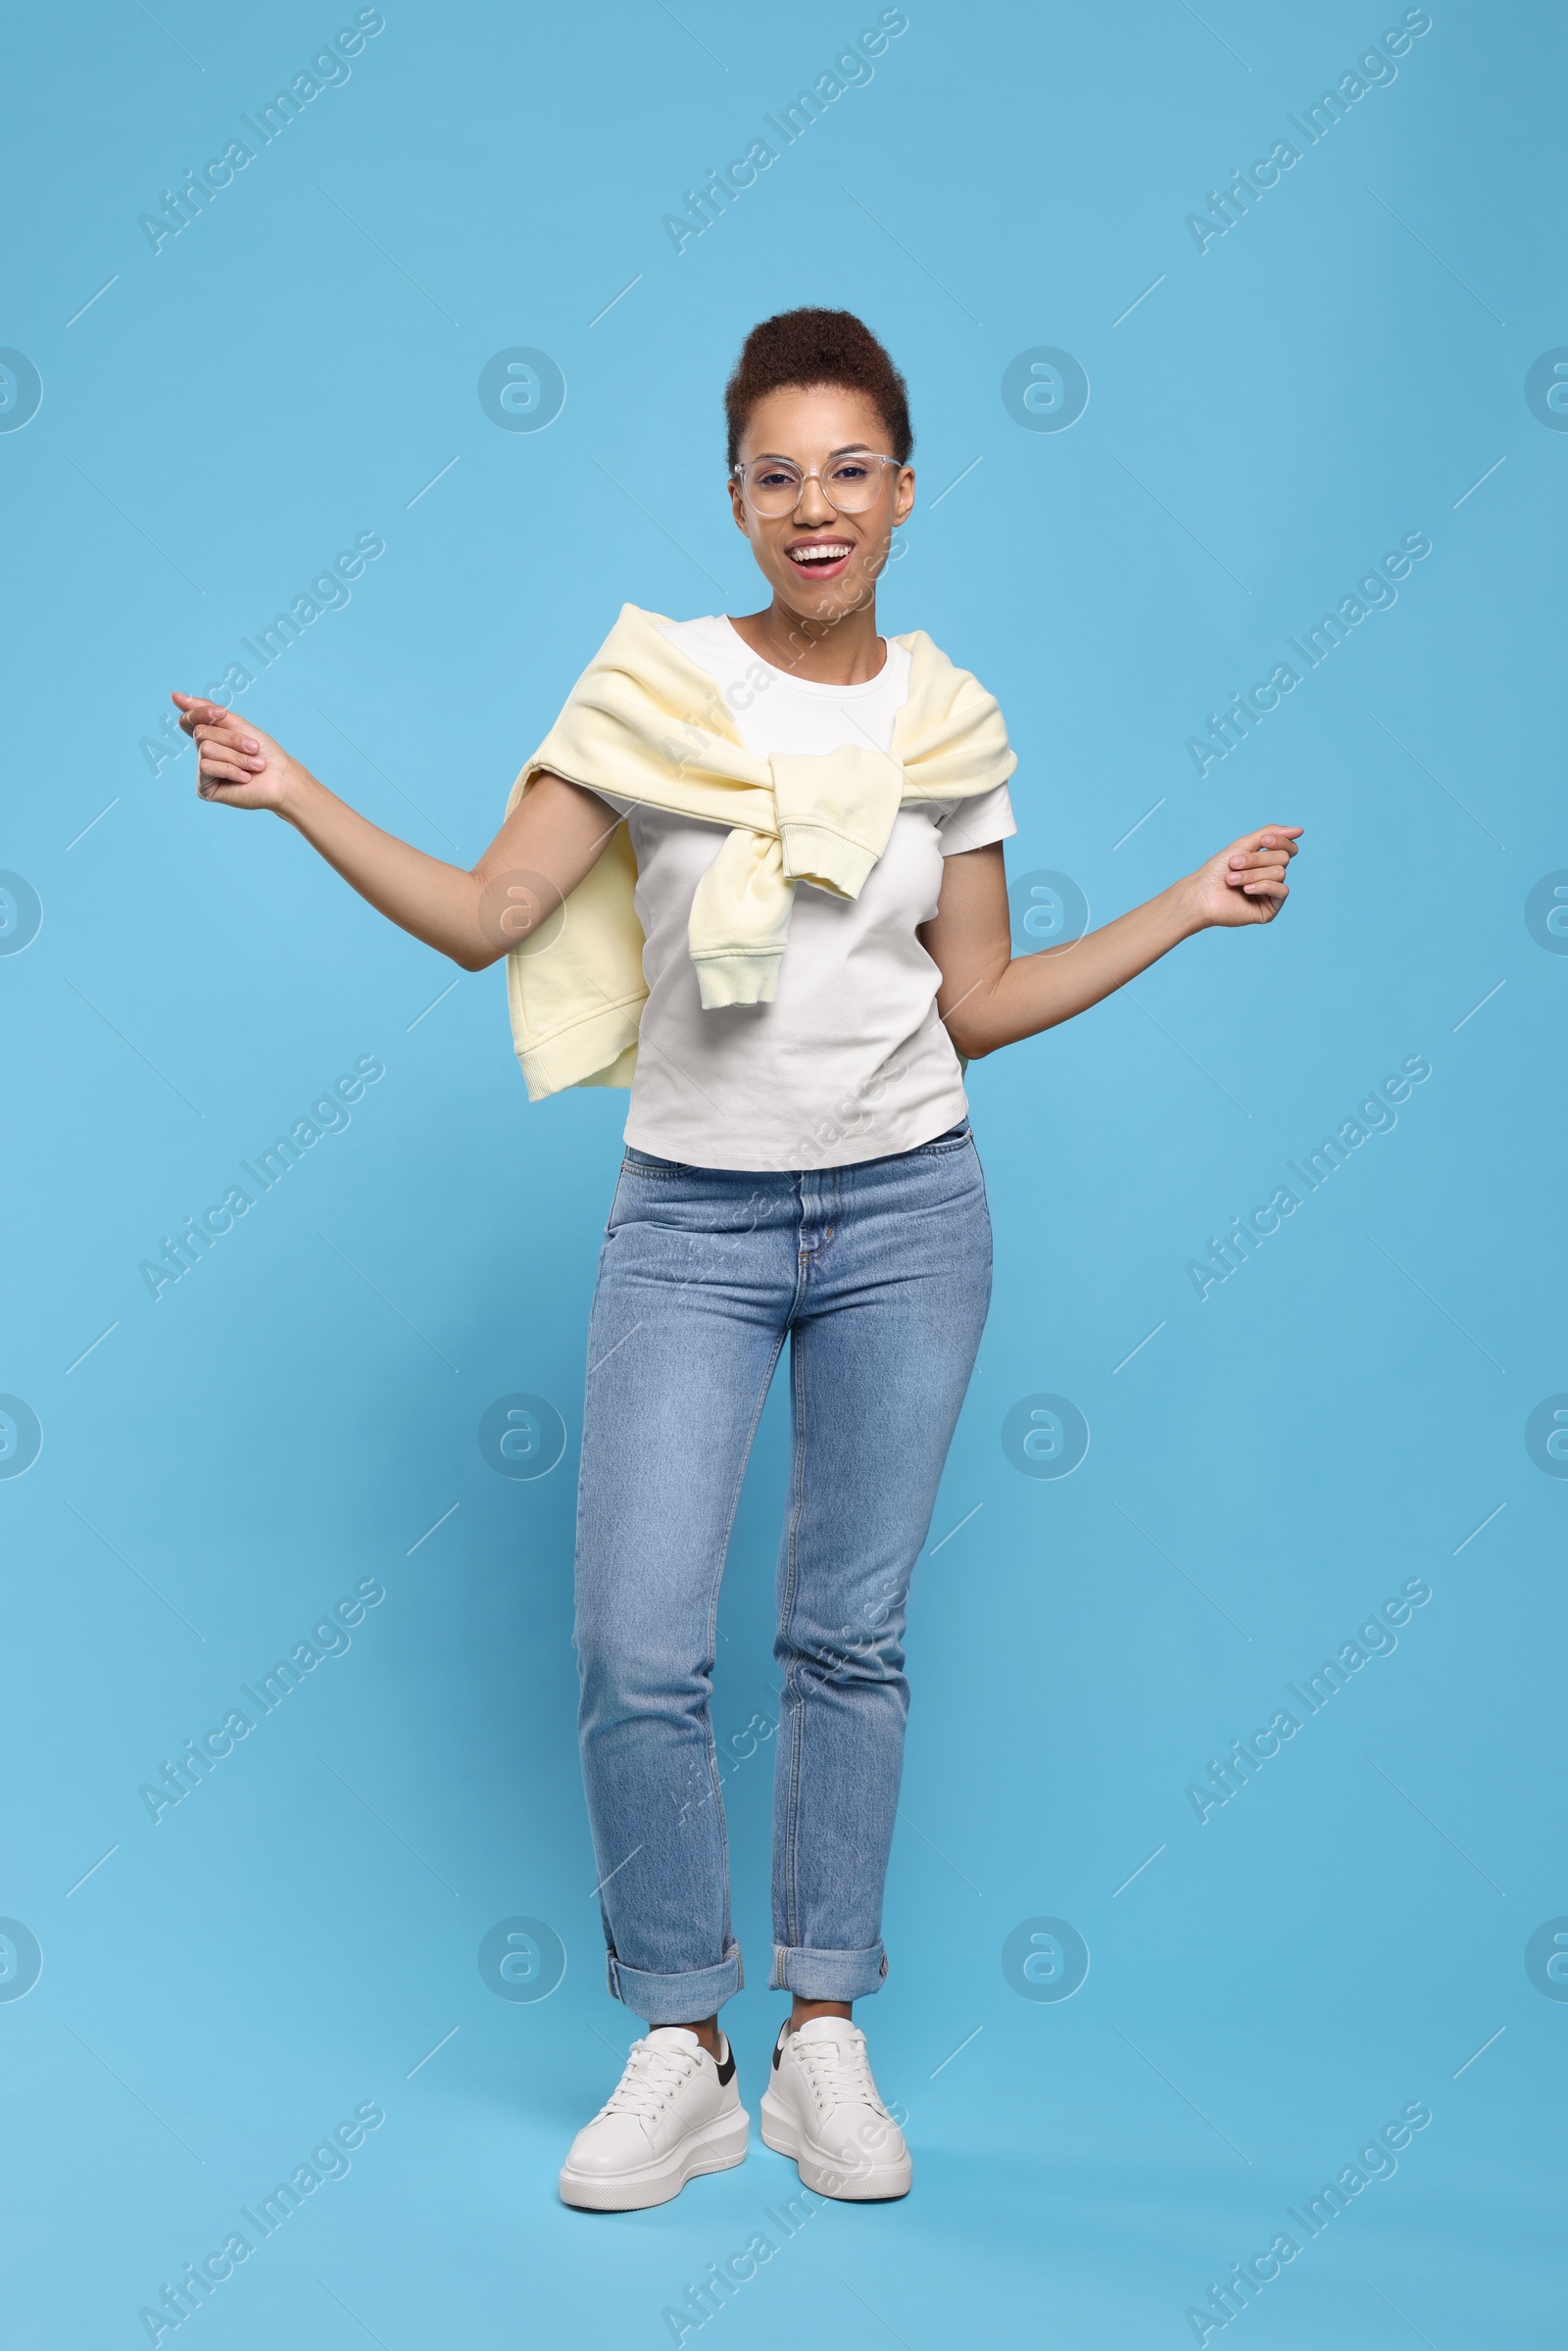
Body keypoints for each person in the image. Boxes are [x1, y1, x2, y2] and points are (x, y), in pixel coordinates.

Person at [174, 307, 1300, 2215]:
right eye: (775, 472)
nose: (813, 505)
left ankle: (824, 2039)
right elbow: (486, 914)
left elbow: (976, 1000)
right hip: (688, 1221)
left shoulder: (947, 724)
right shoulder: (652, 694)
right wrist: (299, 799)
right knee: (636, 1643)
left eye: (848, 468)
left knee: (847, 1636)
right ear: (732, 497)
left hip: (906, 1216)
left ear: (904, 490)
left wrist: (1185, 909)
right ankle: (681, 2047)